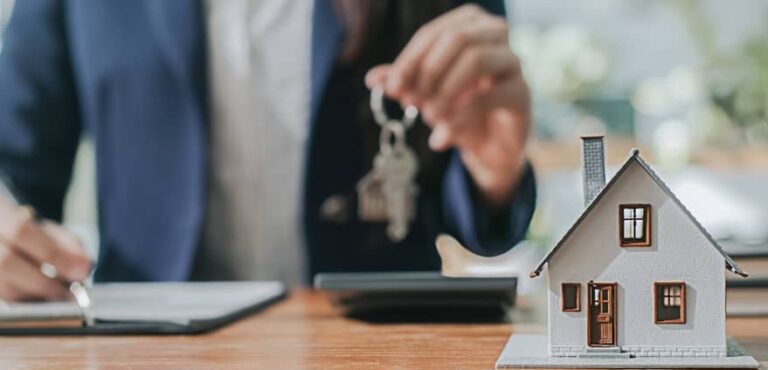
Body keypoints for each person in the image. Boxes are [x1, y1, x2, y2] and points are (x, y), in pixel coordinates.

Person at [0, 0, 535, 302]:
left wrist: (494, 170)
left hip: (384, 363)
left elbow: (478, 224)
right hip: (147, 361)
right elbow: (15, 171)